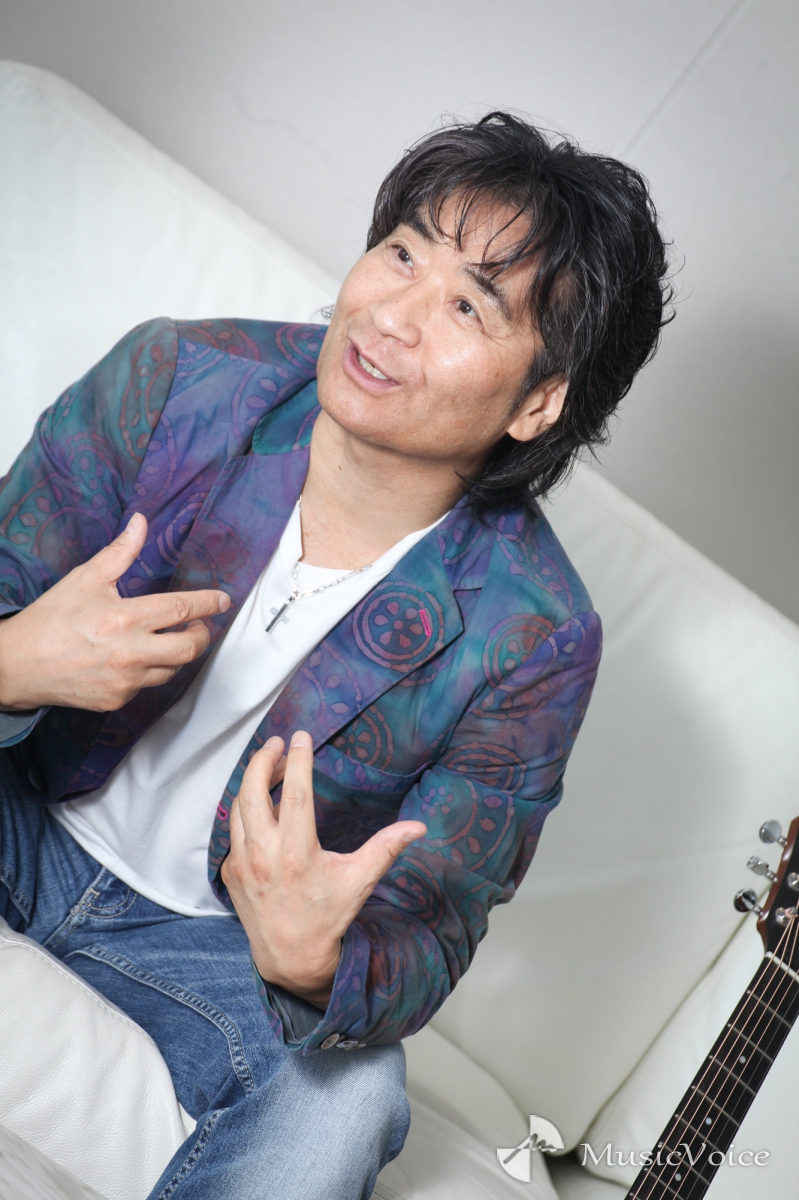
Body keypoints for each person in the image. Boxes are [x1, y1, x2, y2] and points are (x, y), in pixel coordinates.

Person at [0, 112, 671, 1199]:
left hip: (201, 946)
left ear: (539, 402)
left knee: (353, 1097)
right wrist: (12, 664)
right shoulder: (178, 378)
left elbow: (434, 923)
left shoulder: (534, 634)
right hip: (19, 808)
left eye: (467, 305)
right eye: (402, 254)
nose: (392, 315)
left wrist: (313, 958)